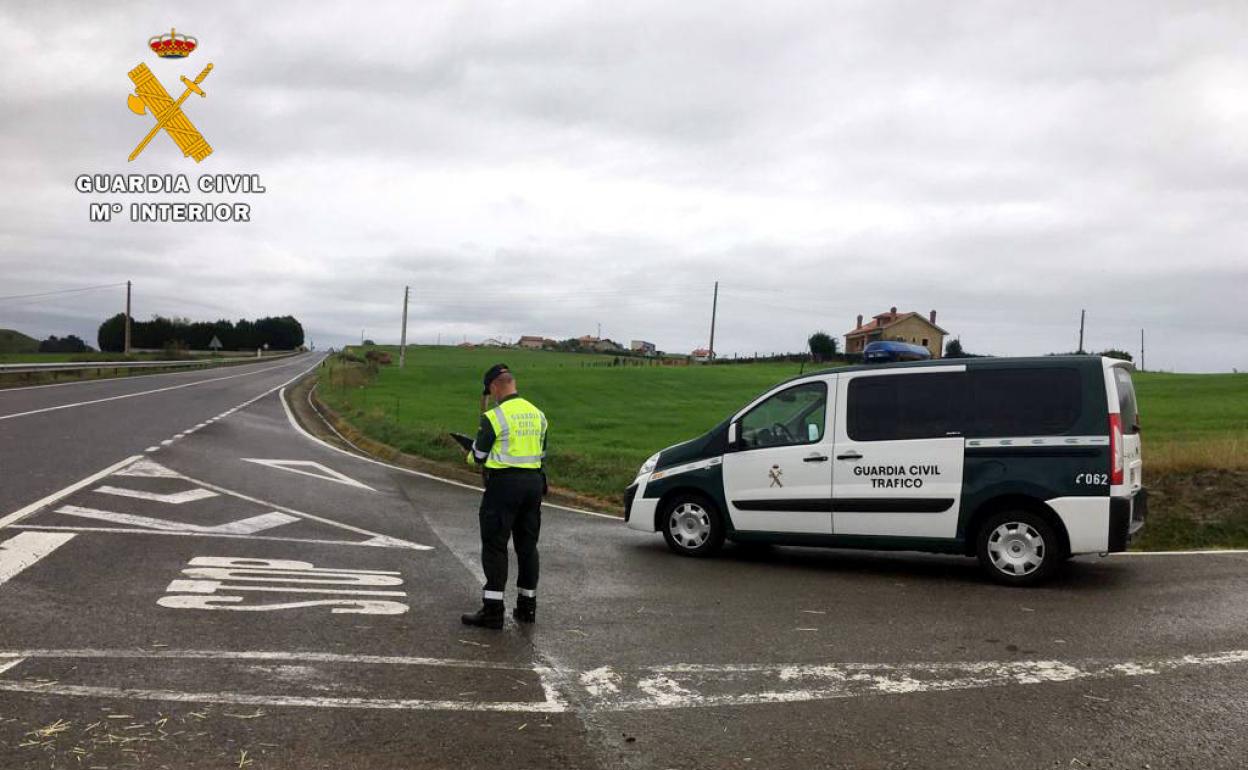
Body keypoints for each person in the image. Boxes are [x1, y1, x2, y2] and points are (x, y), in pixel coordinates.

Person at [461, 363, 548, 629]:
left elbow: (478, 457)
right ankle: (527, 607)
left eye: (490, 391)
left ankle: (493, 611)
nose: (492, 396)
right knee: (527, 546)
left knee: (495, 545)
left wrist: (469, 451)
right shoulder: (538, 415)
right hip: (534, 483)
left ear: (496, 386)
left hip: (504, 486)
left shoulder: (494, 417)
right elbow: (541, 454)